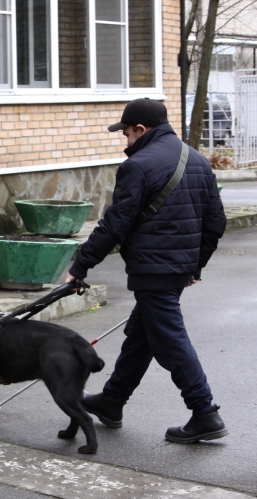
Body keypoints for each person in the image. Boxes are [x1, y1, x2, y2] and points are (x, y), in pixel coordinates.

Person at [63, 98, 227, 443]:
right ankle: (112, 401)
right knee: (141, 336)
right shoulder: (196, 159)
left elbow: (114, 224)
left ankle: (204, 412)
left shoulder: (138, 166)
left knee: (170, 339)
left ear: (140, 130)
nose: (125, 141)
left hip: (153, 268)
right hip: (177, 269)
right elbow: (216, 221)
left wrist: (80, 265)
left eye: (125, 133)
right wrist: (195, 264)